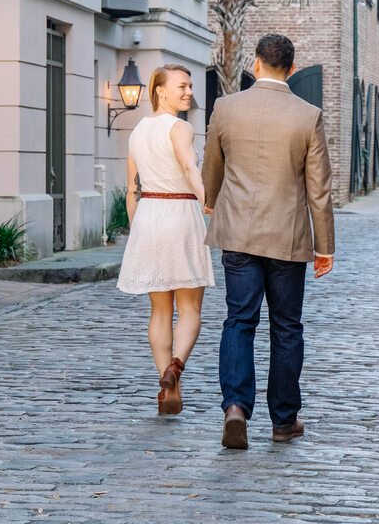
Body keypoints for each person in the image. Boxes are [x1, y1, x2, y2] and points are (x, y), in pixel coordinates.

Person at [202, 34, 335, 449]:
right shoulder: (307, 115)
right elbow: (320, 190)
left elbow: (212, 165)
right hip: (287, 238)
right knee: (286, 326)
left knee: (239, 320)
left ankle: (236, 408)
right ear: (292, 70)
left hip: (238, 234)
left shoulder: (226, 108)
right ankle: (283, 420)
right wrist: (324, 246)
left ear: (256, 64)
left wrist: (210, 202)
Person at [117, 64, 215, 415]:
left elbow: (131, 190)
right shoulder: (181, 127)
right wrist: (207, 200)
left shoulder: (137, 131)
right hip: (181, 215)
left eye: (189, 87)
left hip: (149, 218)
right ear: (160, 91)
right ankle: (175, 367)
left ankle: (168, 390)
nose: (189, 92)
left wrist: (137, 233)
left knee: (160, 310)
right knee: (189, 309)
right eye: (182, 86)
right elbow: (190, 168)